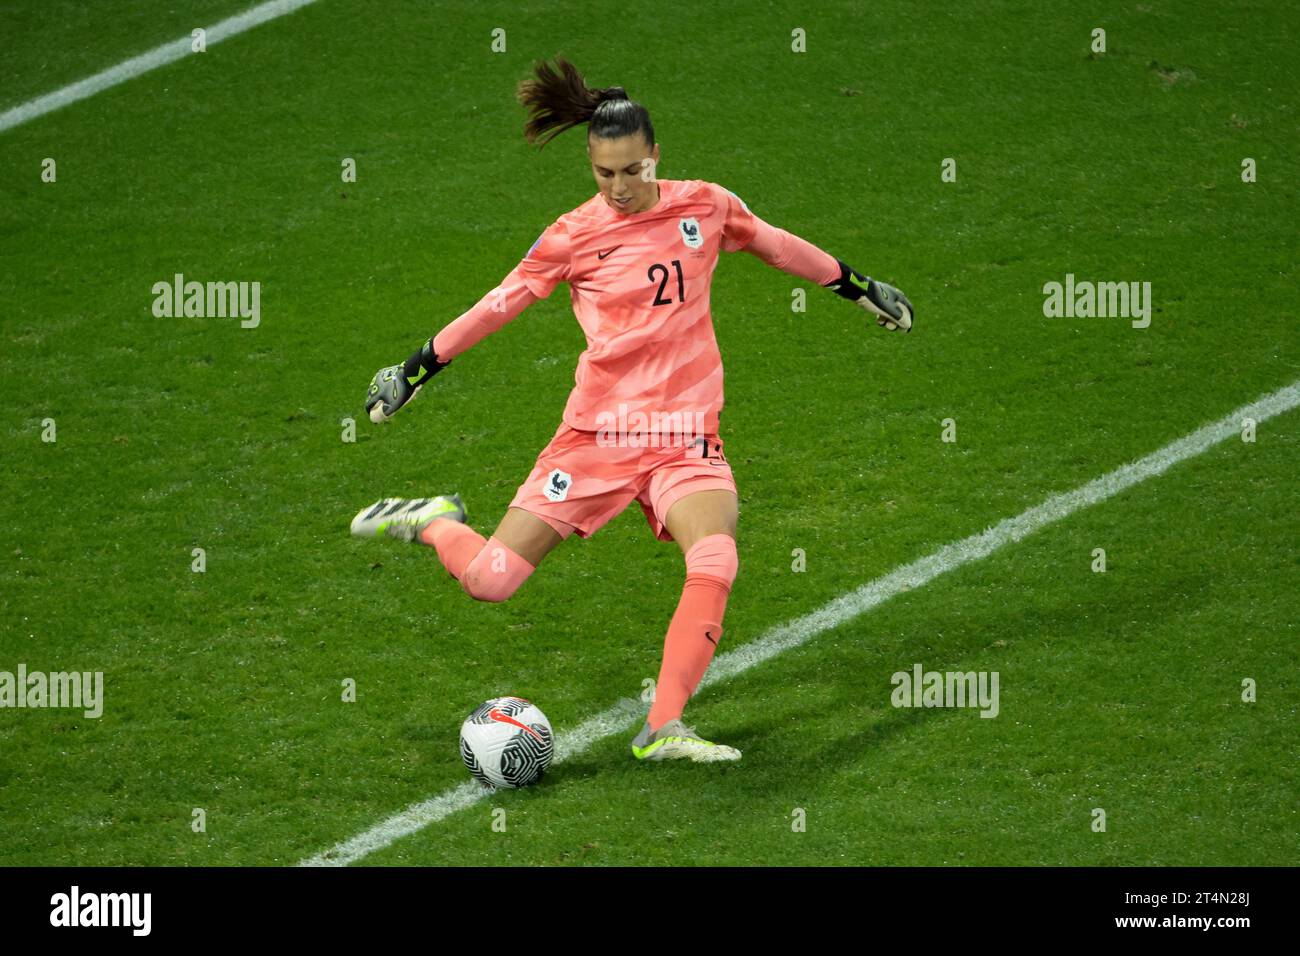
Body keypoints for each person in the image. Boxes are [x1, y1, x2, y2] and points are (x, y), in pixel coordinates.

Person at [351, 57, 914, 763]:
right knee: (491, 582)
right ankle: (435, 522)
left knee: (715, 555)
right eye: (603, 174)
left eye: (630, 171)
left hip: (685, 434)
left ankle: (664, 727)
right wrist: (416, 368)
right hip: (598, 436)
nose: (618, 188)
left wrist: (859, 287)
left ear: (655, 157)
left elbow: (776, 246)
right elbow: (500, 305)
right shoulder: (571, 236)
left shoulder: (706, 205)